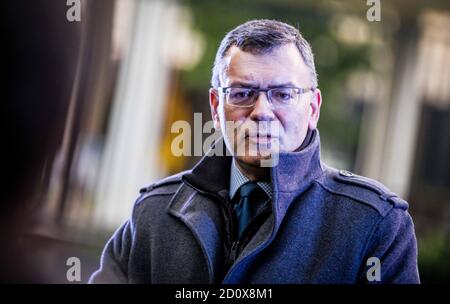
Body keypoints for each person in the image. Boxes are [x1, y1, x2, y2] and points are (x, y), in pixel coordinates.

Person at [89, 19, 420, 283]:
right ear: (216, 107)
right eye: (243, 93)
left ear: (313, 108)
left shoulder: (375, 225)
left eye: (283, 94)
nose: (262, 111)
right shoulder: (153, 215)